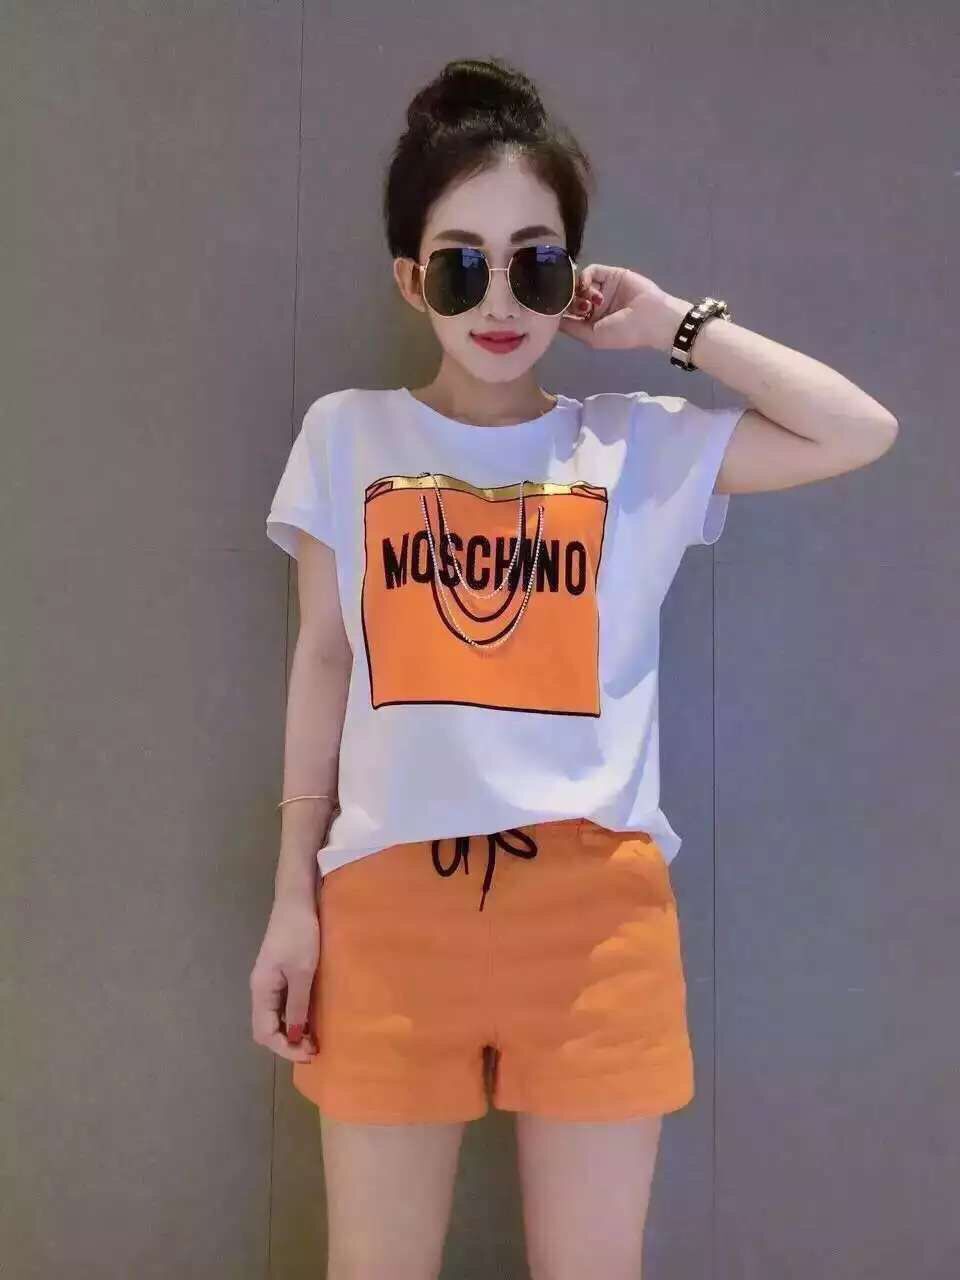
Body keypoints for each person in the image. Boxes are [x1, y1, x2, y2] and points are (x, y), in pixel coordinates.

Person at [249, 55, 897, 1280]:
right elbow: (324, 658)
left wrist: (675, 326)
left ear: (576, 278)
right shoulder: (348, 434)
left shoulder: (632, 446)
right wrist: (293, 896)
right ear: (410, 279)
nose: (499, 299)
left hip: (597, 920)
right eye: (461, 265)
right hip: (389, 908)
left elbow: (859, 429)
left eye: (534, 263)